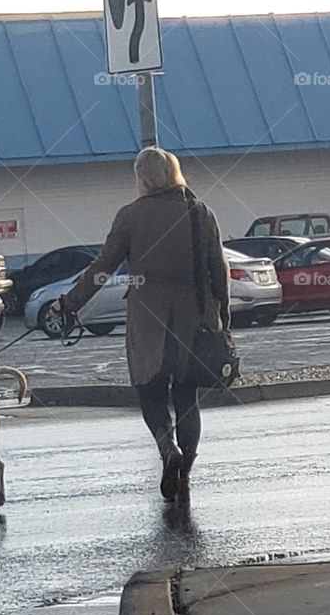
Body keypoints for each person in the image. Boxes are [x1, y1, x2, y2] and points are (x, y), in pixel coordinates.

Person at [51, 147, 230, 501]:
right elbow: (218, 269)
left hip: (148, 320)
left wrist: (70, 304)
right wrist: (222, 317)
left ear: (142, 177)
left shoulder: (130, 216)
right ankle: (186, 472)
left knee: (150, 393)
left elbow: (104, 266)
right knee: (186, 397)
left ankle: (168, 451)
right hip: (193, 317)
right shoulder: (200, 212)